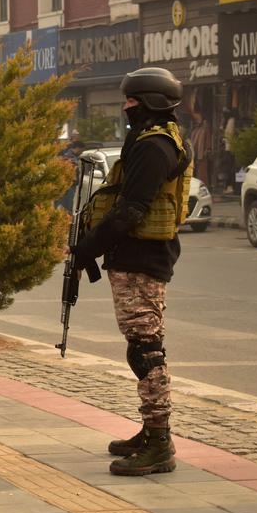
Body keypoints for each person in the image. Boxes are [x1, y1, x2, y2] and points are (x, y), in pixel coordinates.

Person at [71, 67, 193, 476]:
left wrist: (89, 247)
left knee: (146, 348)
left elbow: (131, 210)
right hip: (137, 255)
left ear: (150, 103)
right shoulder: (152, 140)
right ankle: (151, 430)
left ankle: (159, 443)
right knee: (141, 344)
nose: (126, 107)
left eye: (131, 101)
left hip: (142, 258)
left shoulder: (154, 147)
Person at [58, 140, 86, 213]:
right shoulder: (69, 156)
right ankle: (67, 221)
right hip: (68, 184)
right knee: (68, 206)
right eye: (82, 150)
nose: (82, 152)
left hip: (70, 184)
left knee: (68, 205)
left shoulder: (72, 156)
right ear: (78, 148)